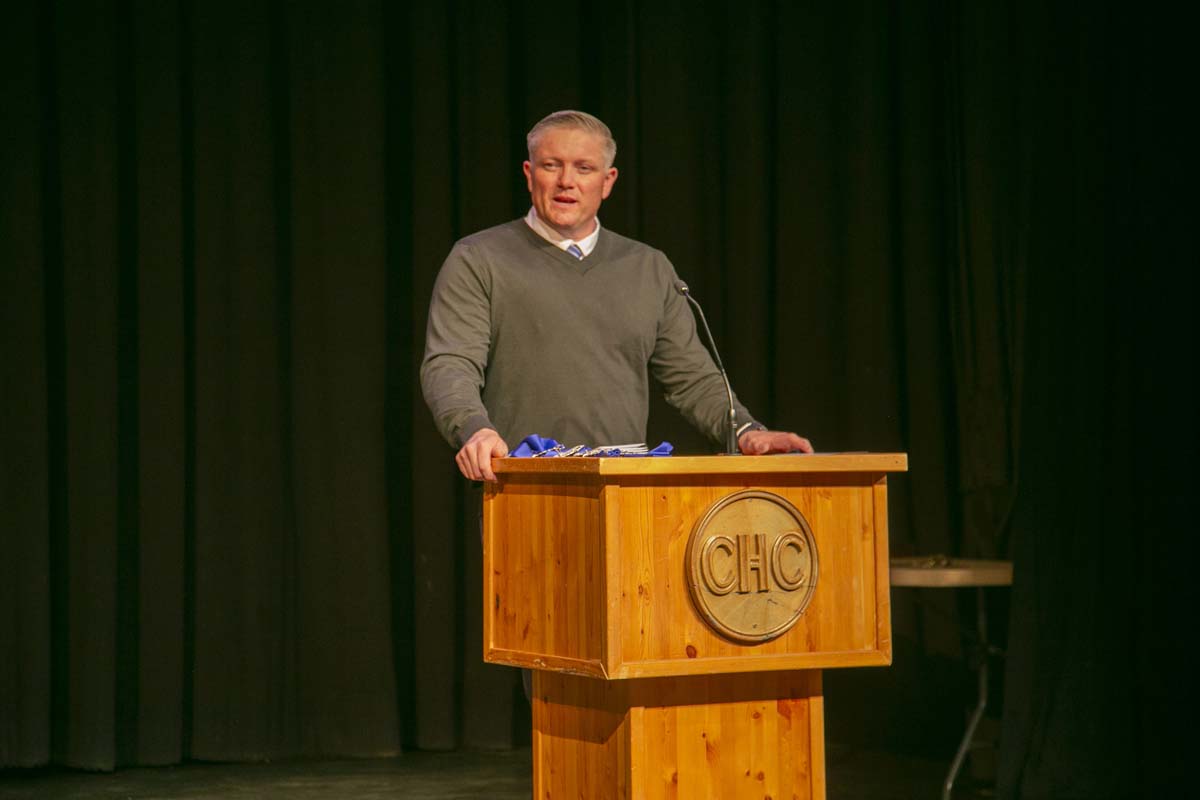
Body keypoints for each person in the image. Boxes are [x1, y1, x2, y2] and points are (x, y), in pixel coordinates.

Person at [421, 110, 812, 481]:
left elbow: (692, 379)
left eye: (584, 168)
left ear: (607, 181)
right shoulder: (479, 259)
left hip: (626, 492)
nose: (566, 181)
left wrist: (746, 431)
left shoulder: (648, 267)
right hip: (524, 490)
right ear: (529, 173)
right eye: (551, 165)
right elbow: (450, 365)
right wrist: (474, 429)